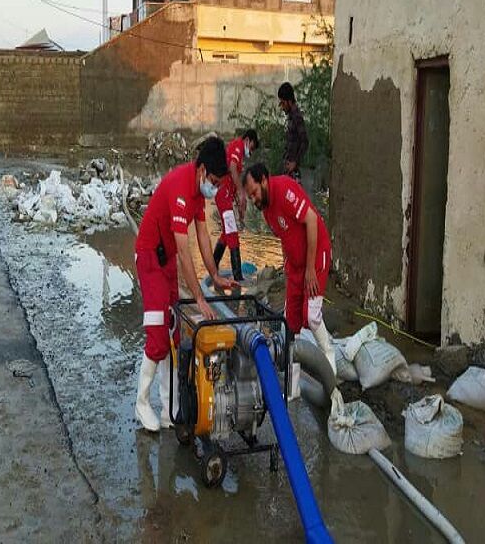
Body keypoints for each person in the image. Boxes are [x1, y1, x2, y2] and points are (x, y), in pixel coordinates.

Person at [134, 136, 238, 432]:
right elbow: (183, 250)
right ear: (202, 170)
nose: (215, 188)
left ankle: (169, 409)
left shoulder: (198, 195)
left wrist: (215, 274)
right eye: (214, 181)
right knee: (157, 334)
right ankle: (142, 403)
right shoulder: (180, 187)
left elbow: (203, 236)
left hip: (165, 261)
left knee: (173, 332)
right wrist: (199, 298)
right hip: (150, 259)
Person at [243, 162, 335, 375]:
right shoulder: (266, 211)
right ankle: (295, 377)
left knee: (311, 317)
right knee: (290, 322)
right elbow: (285, 236)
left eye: (255, 193)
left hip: (315, 256)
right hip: (294, 265)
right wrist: (287, 266)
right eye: (250, 197)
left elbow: (311, 220)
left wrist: (310, 269)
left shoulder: (285, 189)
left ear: (264, 180)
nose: (253, 199)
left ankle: (329, 361)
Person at [213, 128, 259, 281]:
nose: (250, 152)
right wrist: (241, 193)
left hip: (226, 195)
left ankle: (213, 266)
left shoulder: (238, 150)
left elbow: (234, 177)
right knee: (232, 234)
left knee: (227, 234)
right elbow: (232, 167)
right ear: (248, 140)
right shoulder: (238, 146)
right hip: (223, 194)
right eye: (251, 147)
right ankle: (238, 277)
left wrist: (240, 206)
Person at [277, 82, 308, 182]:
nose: (282, 107)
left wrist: (295, 162)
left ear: (289, 101)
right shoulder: (291, 117)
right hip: (288, 170)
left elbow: (305, 141)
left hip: (293, 171)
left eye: (283, 103)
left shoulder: (297, 117)